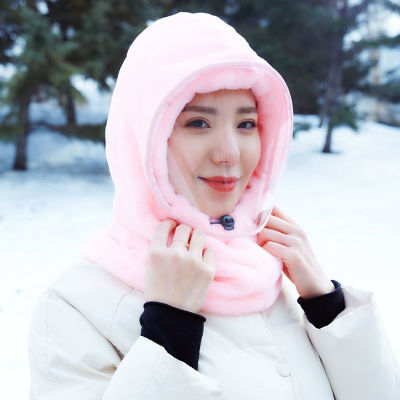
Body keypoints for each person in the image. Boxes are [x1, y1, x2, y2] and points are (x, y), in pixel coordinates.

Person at [28, 12, 400, 400]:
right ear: (143, 138)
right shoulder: (76, 307)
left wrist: (327, 304)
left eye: (246, 124)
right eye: (198, 123)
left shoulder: (273, 273)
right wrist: (169, 327)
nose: (229, 153)